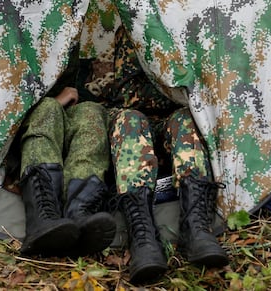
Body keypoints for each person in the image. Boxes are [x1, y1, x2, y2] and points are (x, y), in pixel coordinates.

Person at [88, 25, 228, 283]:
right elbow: (128, 95)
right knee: (130, 119)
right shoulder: (132, 29)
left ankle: (196, 228)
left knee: (185, 119)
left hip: (174, 120)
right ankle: (143, 237)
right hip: (137, 121)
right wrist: (177, 90)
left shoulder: (189, 25)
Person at [18, 86, 116, 257]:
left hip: (70, 123)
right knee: (48, 107)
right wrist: (56, 100)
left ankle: (79, 212)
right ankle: (42, 217)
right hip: (29, 129)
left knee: (92, 112)